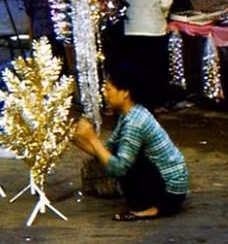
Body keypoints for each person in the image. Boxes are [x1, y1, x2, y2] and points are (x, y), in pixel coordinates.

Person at [72, 61, 188, 221]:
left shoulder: (135, 121)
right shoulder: (129, 114)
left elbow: (119, 168)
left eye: (108, 89)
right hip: (170, 185)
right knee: (116, 153)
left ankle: (149, 208)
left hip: (171, 192)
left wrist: (92, 138)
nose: (105, 94)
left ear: (125, 93)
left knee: (126, 162)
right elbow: (106, 151)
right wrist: (77, 139)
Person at [121, 0, 174, 110]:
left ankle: (139, 102)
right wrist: (162, 15)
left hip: (131, 29)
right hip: (154, 29)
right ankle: (157, 102)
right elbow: (167, 1)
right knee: (156, 68)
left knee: (137, 69)